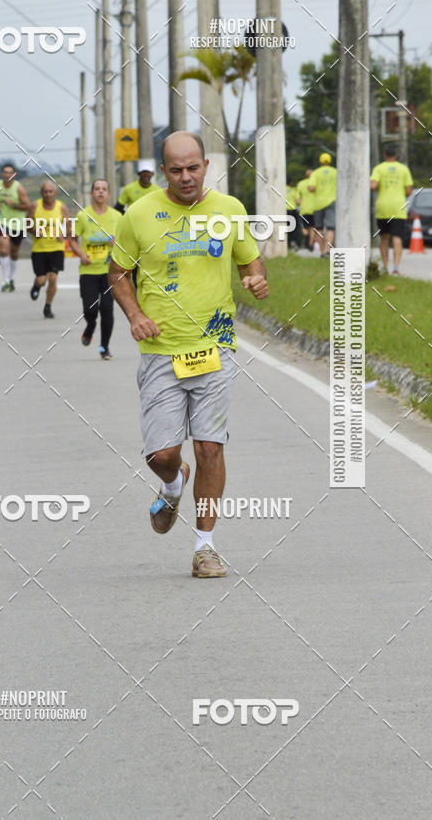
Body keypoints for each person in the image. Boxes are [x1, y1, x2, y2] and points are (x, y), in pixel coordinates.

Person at [109, 131, 268, 579]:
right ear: (163, 171)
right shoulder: (139, 214)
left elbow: (249, 260)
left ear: (205, 166)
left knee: (210, 447)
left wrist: (255, 278)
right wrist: (135, 315)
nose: (185, 177)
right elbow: (118, 271)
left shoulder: (228, 210)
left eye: (193, 167)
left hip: (215, 346)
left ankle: (205, 547)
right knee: (161, 454)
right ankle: (173, 482)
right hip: (161, 351)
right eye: (176, 169)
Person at [68, 179, 121, 360]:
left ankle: (104, 347)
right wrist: (81, 255)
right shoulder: (83, 216)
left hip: (109, 272)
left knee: (107, 309)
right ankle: (90, 326)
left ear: (109, 194)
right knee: (90, 310)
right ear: (92, 193)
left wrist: (117, 243)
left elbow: (126, 241)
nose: (100, 192)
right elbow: (72, 240)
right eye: (97, 189)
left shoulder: (117, 216)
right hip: (88, 271)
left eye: (104, 189)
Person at [370, 143, 414, 275]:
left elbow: (373, 185)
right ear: (396, 155)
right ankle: (396, 267)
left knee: (384, 238)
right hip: (398, 208)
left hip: (382, 207)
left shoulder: (379, 168)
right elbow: (409, 190)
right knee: (397, 237)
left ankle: (385, 267)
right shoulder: (403, 169)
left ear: (384, 155)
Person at [29, 181, 69, 317]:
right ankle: (36, 285)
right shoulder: (35, 206)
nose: (48, 194)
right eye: (45, 191)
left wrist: (63, 234)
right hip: (39, 249)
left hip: (56, 248)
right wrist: (34, 231)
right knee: (42, 280)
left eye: (50, 191)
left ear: (55, 193)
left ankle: (48, 306)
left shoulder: (61, 207)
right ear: (41, 193)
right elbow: (27, 223)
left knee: (53, 278)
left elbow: (68, 225)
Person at [0, 163, 31, 291]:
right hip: (3, 222)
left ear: (14, 175)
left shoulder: (18, 188)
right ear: (1, 174)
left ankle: (10, 277)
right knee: (4, 250)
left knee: (14, 253)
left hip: (17, 224)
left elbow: (28, 206)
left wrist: (14, 205)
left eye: (10, 173)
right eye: (5, 172)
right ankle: (5, 280)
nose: (7, 175)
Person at [308, 153, 337, 257]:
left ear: (320, 162)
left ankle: (321, 252)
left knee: (319, 228)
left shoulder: (316, 173)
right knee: (331, 227)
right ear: (330, 161)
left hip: (318, 203)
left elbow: (311, 188)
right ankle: (328, 250)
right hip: (332, 201)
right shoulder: (335, 172)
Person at [296, 169, 317, 251]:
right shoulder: (316, 183)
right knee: (312, 228)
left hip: (304, 209)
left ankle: (306, 236)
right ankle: (310, 244)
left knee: (304, 227)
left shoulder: (300, 184)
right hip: (314, 208)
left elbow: (298, 200)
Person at [286, 178, 300, 250]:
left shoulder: (281, 189)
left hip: (284, 211)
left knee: (285, 228)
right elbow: (298, 201)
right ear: (290, 182)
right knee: (294, 228)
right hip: (292, 211)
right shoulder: (294, 190)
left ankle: (286, 244)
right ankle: (293, 243)